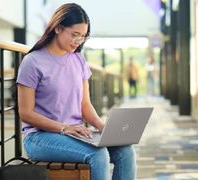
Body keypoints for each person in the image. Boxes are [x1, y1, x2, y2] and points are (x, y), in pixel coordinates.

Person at [16, 3, 136, 180]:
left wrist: (103, 127)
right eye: (74, 35)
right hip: (40, 137)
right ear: (58, 28)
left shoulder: (78, 60)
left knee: (126, 151)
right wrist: (64, 128)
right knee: (98, 154)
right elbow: (25, 113)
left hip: (76, 135)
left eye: (82, 37)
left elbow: (85, 105)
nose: (78, 41)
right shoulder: (32, 62)